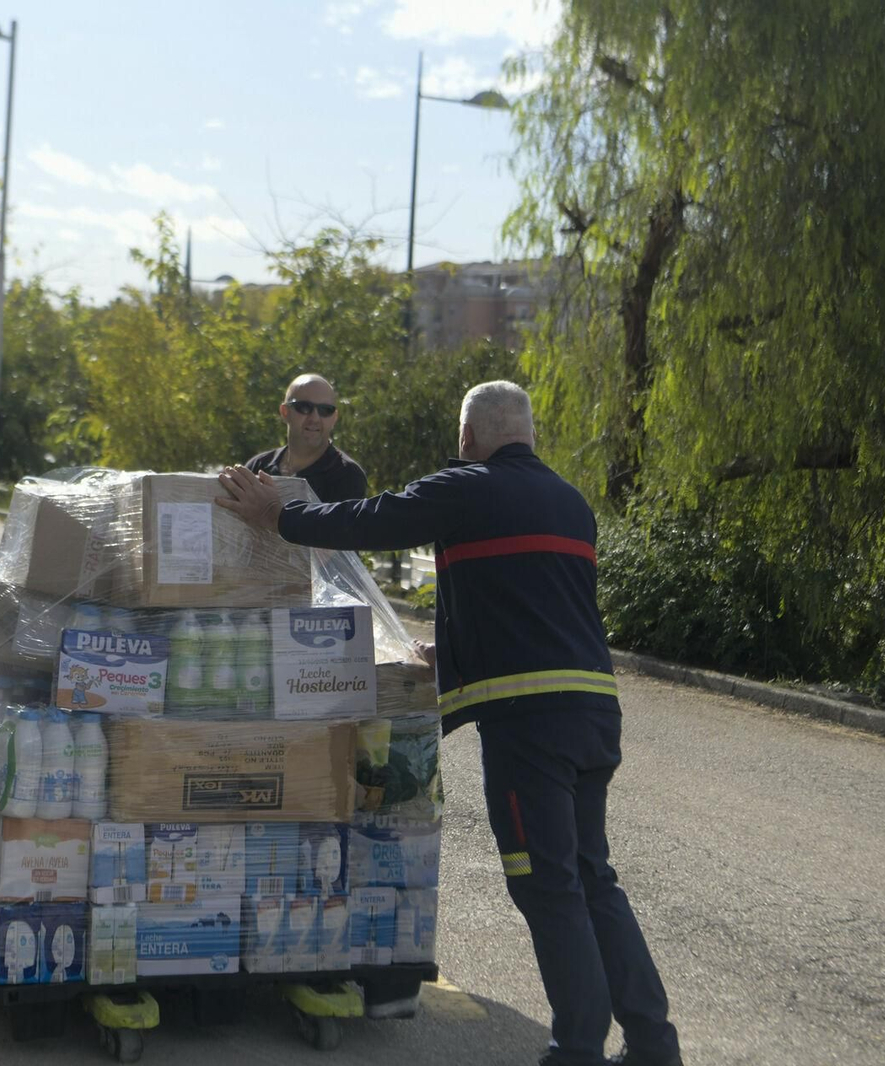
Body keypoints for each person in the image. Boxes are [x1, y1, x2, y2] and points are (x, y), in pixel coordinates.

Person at [216, 381, 682, 1066]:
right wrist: (453, 650)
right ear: (528, 433)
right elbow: (528, 602)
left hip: (529, 725)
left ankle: (577, 1048)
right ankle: (652, 1042)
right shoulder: (569, 500)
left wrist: (279, 518)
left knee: (546, 884)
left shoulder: (468, 485)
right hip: (592, 711)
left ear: (468, 438)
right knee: (591, 877)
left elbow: (371, 519)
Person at [244, 373, 368, 502]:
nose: (314, 418)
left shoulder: (347, 475)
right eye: (304, 407)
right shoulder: (258, 466)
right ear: (285, 412)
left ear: (334, 417)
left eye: (325, 410)